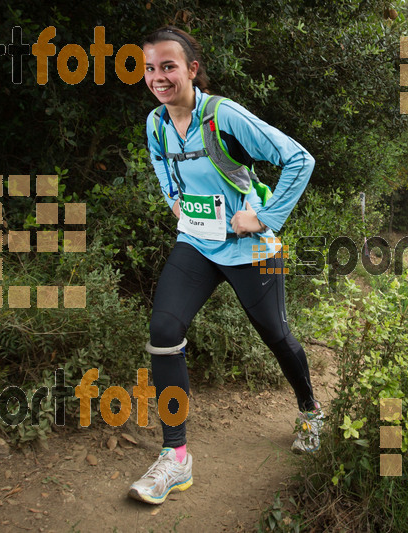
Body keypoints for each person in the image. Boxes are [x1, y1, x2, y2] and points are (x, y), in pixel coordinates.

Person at [128, 26, 322, 505]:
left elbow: (299, 159)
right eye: (150, 68)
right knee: (164, 331)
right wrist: (175, 202)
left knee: (276, 335)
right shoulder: (155, 123)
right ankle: (176, 458)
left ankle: (312, 411)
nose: (158, 77)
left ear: (192, 69)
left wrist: (263, 216)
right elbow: (162, 167)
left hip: (249, 247)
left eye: (168, 66)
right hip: (197, 241)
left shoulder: (223, 115)